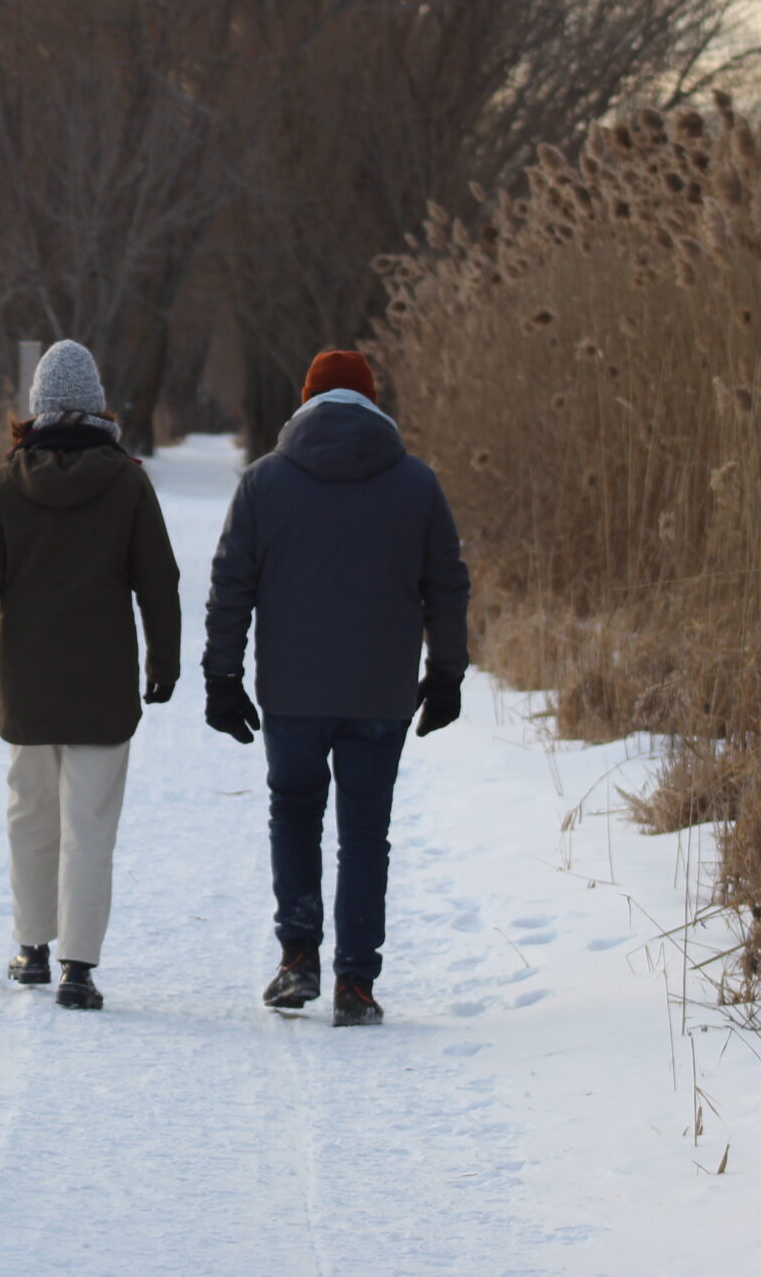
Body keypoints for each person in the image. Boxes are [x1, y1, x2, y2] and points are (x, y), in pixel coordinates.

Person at [201, 349, 469, 1027]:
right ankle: (356, 981)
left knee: (294, 811)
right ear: (374, 403)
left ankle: (298, 957)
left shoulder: (265, 484)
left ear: (306, 400)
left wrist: (222, 678)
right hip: (380, 691)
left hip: (292, 690)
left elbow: (232, 585)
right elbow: (446, 586)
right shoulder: (416, 485)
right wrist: (445, 676)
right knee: (365, 831)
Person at [0, 340, 182, 1011]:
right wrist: (165, 662)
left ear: (37, 407)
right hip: (102, 689)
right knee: (90, 827)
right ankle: (78, 967)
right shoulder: (126, 481)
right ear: (97, 404)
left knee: (31, 818)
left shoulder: (7, 484)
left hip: (28, 686)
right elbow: (160, 581)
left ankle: (32, 948)